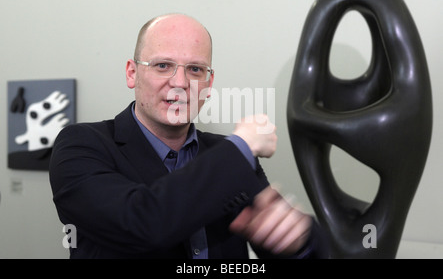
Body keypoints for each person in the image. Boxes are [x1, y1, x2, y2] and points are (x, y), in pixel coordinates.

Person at [49, 13, 329, 259]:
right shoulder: (81, 145)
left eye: (195, 69)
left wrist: (297, 243)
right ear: (132, 73)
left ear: (209, 83)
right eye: (163, 66)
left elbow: (289, 243)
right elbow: (140, 224)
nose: (180, 83)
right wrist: (242, 145)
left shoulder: (224, 153)